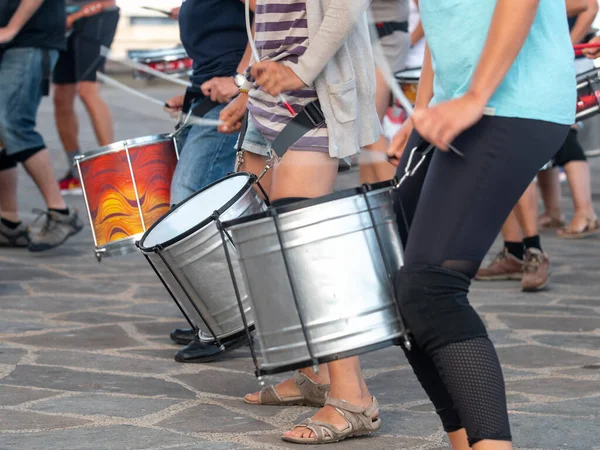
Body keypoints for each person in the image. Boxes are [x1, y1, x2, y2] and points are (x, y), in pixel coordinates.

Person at [387, 0, 574, 449]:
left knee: (429, 289)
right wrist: (428, 106)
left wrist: (474, 96)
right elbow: (443, 23)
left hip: (511, 102)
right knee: (395, 286)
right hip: (457, 105)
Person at [219, 0, 382, 444]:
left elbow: (347, 7)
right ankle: (313, 374)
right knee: (273, 255)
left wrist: (302, 70)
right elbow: (267, 26)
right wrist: (245, 93)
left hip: (310, 106)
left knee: (311, 258)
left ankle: (354, 398)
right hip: (267, 107)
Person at [163, 0, 253, 363]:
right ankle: (215, 315)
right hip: (205, 101)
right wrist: (189, 93)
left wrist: (239, 83)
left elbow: (261, 27)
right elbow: (213, 52)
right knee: (194, 211)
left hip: (229, 103)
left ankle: (227, 324)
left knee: (190, 212)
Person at [0, 0, 83, 251]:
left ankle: (61, 212)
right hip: (9, 40)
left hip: (29, 39)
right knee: (2, 129)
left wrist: (12, 28)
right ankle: (9, 222)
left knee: (13, 123)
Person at [537, 0, 600, 239]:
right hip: (552, 61)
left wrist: (565, 47)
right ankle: (554, 211)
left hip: (564, 62)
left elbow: (590, 6)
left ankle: (585, 212)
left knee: (564, 131)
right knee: (545, 132)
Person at [52, 0, 120, 194]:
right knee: (61, 98)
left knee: (87, 90)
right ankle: (75, 173)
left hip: (96, 16)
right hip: (62, 20)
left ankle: (113, 170)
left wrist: (75, 16)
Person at [360, 0, 410, 184]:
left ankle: (398, 195)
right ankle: (371, 201)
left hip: (386, 39)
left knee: (369, 126)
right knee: (364, 135)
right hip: (362, 43)